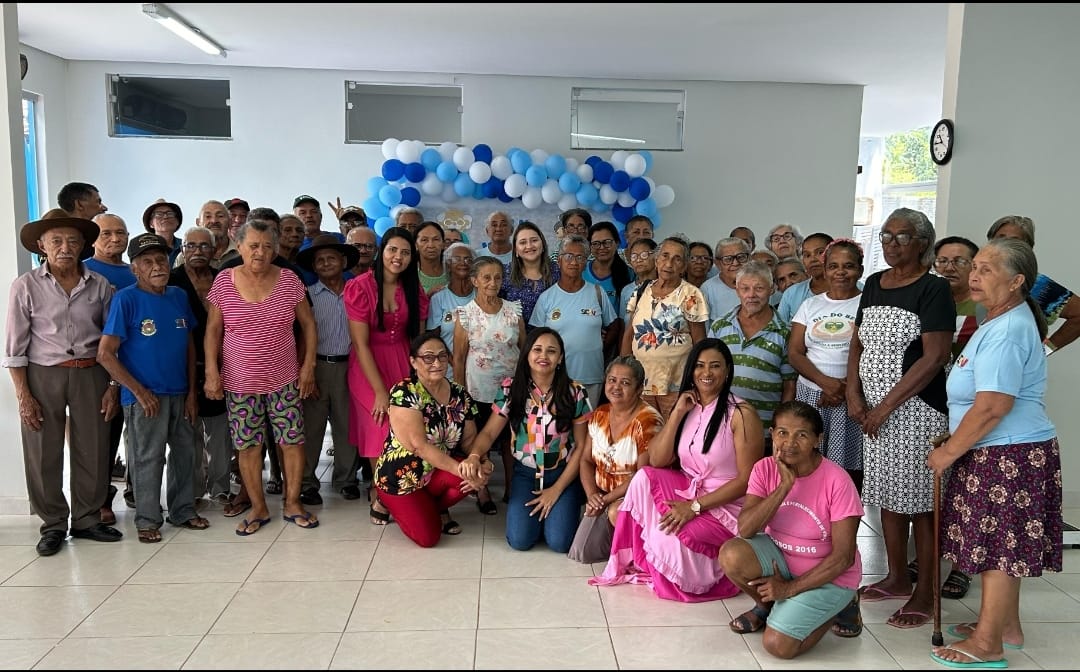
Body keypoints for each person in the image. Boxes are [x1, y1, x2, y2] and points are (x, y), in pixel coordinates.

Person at [928, 238, 1062, 669]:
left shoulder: (1007, 329)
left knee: (998, 550)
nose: (974, 275)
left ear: (1017, 280)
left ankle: (989, 644)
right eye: (975, 267)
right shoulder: (1000, 319)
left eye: (986, 269)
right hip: (1001, 450)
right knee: (1003, 544)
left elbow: (992, 406)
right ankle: (1005, 626)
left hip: (1008, 455)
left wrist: (949, 451)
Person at [845, 207, 954, 629]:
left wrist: (886, 406)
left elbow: (934, 357)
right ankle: (894, 577)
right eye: (886, 237)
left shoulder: (934, 289)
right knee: (887, 497)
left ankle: (924, 591)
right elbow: (858, 345)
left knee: (922, 506)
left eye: (902, 237)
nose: (891, 244)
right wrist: (855, 394)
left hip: (918, 413)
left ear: (922, 242)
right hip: (873, 414)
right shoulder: (874, 282)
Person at [590, 338, 763, 601]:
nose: (706, 373)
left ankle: (702, 573)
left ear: (727, 370)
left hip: (726, 505)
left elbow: (747, 480)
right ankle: (654, 560)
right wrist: (678, 413)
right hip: (689, 489)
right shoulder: (690, 405)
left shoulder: (741, 413)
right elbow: (657, 461)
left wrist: (694, 507)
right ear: (691, 370)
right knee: (644, 478)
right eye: (700, 366)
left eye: (715, 366)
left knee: (666, 536)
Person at [5, 209, 122, 556]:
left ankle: (87, 520)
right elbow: (14, 348)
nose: (65, 247)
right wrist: (24, 395)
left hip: (91, 372)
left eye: (72, 240)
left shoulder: (100, 285)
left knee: (94, 446)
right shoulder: (25, 286)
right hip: (43, 374)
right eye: (56, 240)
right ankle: (53, 523)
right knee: (44, 450)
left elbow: (112, 340)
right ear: (41, 245)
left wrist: (113, 386)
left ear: (84, 244)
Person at [719, 400, 864, 658]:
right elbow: (747, 529)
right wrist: (784, 487)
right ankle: (767, 606)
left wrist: (789, 589)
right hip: (783, 561)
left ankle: (841, 606)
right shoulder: (764, 469)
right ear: (772, 434)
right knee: (732, 554)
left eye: (802, 435)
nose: (790, 443)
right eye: (782, 433)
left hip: (829, 577)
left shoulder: (837, 481)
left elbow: (844, 558)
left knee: (778, 646)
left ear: (818, 440)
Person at [204, 219, 320, 535]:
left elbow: (309, 325)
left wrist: (307, 367)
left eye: (267, 246)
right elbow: (213, 330)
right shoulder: (224, 282)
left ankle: (293, 503)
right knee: (248, 447)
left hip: (283, 379)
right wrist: (211, 372)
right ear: (239, 246)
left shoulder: (289, 281)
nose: (260, 252)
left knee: (292, 442)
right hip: (239, 383)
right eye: (253, 245)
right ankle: (258, 507)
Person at [98, 233, 209, 543]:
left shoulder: (177, 296)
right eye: (147, 262)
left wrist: (190, 391)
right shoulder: (126, 299)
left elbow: (188, 344)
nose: (157, 266)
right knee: (148, 458)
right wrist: (138, 391)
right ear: (135, 269)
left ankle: (182, 511)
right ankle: (147, 519)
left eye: (161, 260)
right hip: (144, 396)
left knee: (185, 454)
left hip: (179, 393)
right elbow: (105, 354)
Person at [470, 328, 592, 552]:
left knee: (560, 543)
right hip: (526, 475)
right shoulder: (510, 389)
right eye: (537, 349)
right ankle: (543, 518)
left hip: (562, 475)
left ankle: (559, 510)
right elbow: (488, 433)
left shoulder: (576, 392)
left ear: (561, 358)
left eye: (551, 351)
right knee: (520, 541)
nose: (543, 356)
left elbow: (583, 447)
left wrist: (556, 490)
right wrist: (475, 455)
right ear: (527, 354)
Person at [344, 226, 429, 525]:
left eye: (406, 253)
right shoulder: (359, 286)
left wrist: (418, 378)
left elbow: (417, 338)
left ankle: (400, 488)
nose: (399, 257)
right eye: (393, 249)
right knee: (380, 424)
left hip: (403, 362)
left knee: (405, 430)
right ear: (383, 252)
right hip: (368, 365)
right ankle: (379, 491)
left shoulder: (413, 289)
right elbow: (360, 343)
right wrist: (381, 391)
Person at [375, 333, 494, 547]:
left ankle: (435, 507)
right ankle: (385, 500)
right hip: (403, 475)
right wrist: (463, 470)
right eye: (428, 358)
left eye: (442, 356)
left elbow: (469, 441)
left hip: (437, 469)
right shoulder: (405, 392)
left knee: (471, 477)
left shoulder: (459, 394)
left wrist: (481, 463)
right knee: (429, 538)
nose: (437, 363)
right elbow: (419, 446)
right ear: (413, 361)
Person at [570, 356, 663, 563]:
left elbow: (642, 475)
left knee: (616, 512)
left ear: (640, 388)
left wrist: (605, 500)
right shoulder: (599, 414)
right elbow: (585, 460)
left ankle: (642, 556)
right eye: (612, 380)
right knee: (581, 553)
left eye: (625, 382)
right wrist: (592, 495)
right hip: (602, 495)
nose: (616, 387)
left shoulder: (648, 420)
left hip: (634, 497)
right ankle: (623, 545)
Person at [788, 239, 865, 490]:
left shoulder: (868, 305)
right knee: (806, 460)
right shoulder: (810, 305)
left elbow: (871, 352)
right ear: (825, 269)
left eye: (848, 266)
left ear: (860, 270)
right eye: (833, 266)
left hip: (852, 396)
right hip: (812, 394)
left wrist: (844, 389)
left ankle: (842, 520)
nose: (840, 272)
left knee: (847, 469)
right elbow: (796, 352)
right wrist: (826, 384)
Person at [295, 234, 364, 503]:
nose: (325, 263)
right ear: (313, 266)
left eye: (331, 258)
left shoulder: (357, 293)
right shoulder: (307, 296)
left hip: (350, 366)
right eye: (319, 260)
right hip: (317, 366)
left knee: (346, 426)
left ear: (343, 261)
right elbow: (300, 336)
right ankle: (307, 482)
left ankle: (346, 479)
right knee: (311, 428)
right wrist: (305, 370)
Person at [453, 256, 526, 504]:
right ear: (474, 280)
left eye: (497, 277)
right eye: (486, 277)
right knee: (478, 441)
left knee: (510, 441)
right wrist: (461, 394)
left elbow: (524, 349)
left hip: (510, 390)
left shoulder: (513, 310)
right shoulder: (465, 315)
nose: (492, 282)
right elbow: (459, 358)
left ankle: (510, 487)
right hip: (478, 390)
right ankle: (481, 491)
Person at [169, 227, 231, 505]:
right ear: (182, 249)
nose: (197, 252)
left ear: (215, 249)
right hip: (183, 366)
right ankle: (192, 490)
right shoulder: (172, 282)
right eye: (190, 246)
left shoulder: (225, 280)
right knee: (188, 431)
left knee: (219, 432)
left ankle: (220, 487)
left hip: (223, 364)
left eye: (204, 247)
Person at [620, 236, 708, 420]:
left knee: (673, 437)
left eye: (677, 259)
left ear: (684, 266)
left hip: (675, 384)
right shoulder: (641, 290)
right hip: (641, 382)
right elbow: (630, 333)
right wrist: (625, 373)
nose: (669, 263)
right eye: (665, 256)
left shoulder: (691, 294)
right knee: (644, 433)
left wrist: (697, 379)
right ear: (657, 260)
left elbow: (700, 341)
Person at [708, 260, 796, 437]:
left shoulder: (785, 332)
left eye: (759, 288)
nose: (751, 295)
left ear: (772, 289)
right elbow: (708, 372)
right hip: (722, 424)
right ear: (737, 290)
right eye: (745, 288)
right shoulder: (720, 326)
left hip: (764, 428)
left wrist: (780, 425)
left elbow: (790, 385)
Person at [85, 212, 135, 523]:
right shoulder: (86, 271)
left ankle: (123, 492)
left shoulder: (134, 272)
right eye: (107, 234)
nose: (115, 239)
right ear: (93, 239)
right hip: (99, 364)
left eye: (120, 232)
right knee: (99, 434)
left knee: (125, 434)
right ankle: (97, 499)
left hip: (135, 363)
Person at [531, 236, 619, 408]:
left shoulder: (597, 292)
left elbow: (614, 326)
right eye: (569, 256)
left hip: (591, 376)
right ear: (559, 260)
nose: (574, 262)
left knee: (586, 429)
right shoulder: (547, 298)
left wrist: (600, 346)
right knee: (558, 429)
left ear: (586, 262)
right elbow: (535, 337)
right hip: (555, 378)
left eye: (580, 257)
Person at [986, 215, 1080, 354]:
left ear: (1028, 248)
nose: (1006, 245)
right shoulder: (972, 275)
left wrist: (1043, 352)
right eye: (1001, 238)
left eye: (1015, 241)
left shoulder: (1036, 284)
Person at [426, 243, 475, 381]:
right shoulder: (438, 298)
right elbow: (434, 338)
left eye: (468, 259)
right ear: (448, 265)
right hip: (448, 369)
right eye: (457, 259)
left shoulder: (482, 295)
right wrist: (455, 362)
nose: (463, 263)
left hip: (479, 370)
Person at [499, 220, 559, 327]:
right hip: (515, 339)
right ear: (516, 250)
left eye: (534, 240)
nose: (529, 246)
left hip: (551, 338)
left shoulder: (557, 271)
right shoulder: (504, 273)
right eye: (522, 242)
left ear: (543, 244)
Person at [777, 233, 833, 325]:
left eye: (820, 252)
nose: (812, 259)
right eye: (807, 255)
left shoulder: (859, 290)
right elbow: (780, 332)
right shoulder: (791, 293)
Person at [584, 221, 633, 325]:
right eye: (596, 244)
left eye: (607, 242)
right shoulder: (581, 271)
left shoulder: (630, 274)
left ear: (617, 243)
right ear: (590, 247)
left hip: (617, 334)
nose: (602, 247)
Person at [700, 237, 749, 321]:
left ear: (749, 259)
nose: (735, 263)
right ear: (718, 264)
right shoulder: (708, 289)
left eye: (741, 257)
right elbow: (705, 328)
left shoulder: (759, 284)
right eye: (728, 259)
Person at [618, 238, 657, 322]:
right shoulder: (626, 290)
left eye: (644, 255)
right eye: (634, 256)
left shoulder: (666, 287)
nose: (638, 260)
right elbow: (622, 324)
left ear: (656, 256)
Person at [141, 200, 184, 265]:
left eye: (170, 213)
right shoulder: (143, 248)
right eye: (159, 214)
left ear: (177, 222)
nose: (165, 217)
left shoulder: (186, 246)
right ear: (151, 224)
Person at [415, 221, 448, 296]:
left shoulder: (453, 270)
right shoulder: (409, 274)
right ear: (416, 245)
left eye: (436, 239)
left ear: (443, 244)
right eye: (424, 240)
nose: (431, 245)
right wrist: (427, 297)